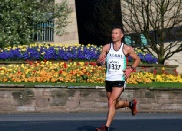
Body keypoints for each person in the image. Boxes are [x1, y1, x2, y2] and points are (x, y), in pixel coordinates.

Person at [95, 26, 141, 131]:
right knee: (113, 104)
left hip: (120, 78)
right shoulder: (107, 47)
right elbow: (98, 61)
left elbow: (137, 59)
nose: (113, 35)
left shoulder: (126, 48)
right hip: (109, 78)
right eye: (112, 33)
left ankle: (106, 128)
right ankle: (130, 104)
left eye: (116, 33)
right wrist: (100, 62)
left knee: (111, 102)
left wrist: (131, 69)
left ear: (121, 35)